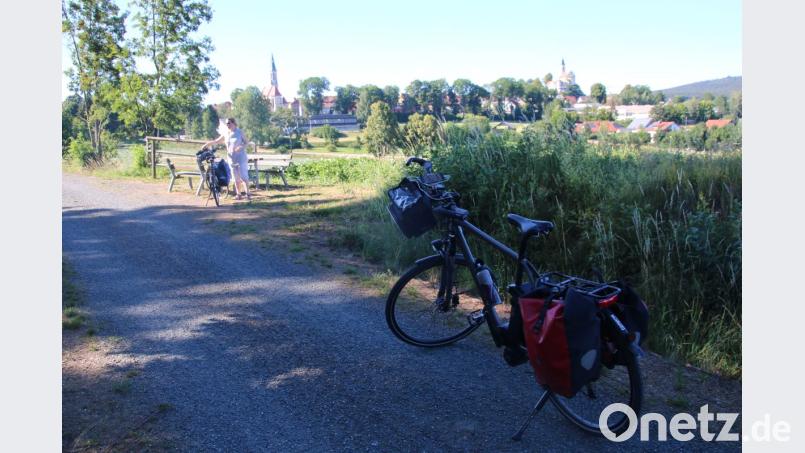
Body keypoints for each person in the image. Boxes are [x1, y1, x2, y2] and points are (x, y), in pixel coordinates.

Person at [203, 118, 251, 200]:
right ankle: (238, 194)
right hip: (231, 158)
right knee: (235, 178)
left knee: (243, 176)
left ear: (234, 123)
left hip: (241, 157)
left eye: (229, 123)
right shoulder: (226, 133)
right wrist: (207, 144)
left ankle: (248, 194)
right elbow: (216, 141)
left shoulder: (239, 132)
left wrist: (241, 147)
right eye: (226, 124)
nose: (227, 125)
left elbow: (247, 142)